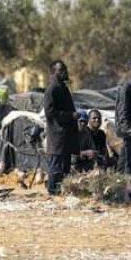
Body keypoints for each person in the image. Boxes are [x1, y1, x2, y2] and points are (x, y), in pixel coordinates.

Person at [43, 60, 79, 195]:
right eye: (61, 70)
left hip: (66, 135)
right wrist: (71, 115)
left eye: (65, 69)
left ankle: (62, 191)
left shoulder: (62, 87)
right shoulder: (52, 89)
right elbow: (50, 112)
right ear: (53, 72)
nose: (64, 72)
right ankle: (52, 192)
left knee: (65, 166)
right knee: (56, 166)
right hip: (58, 135)